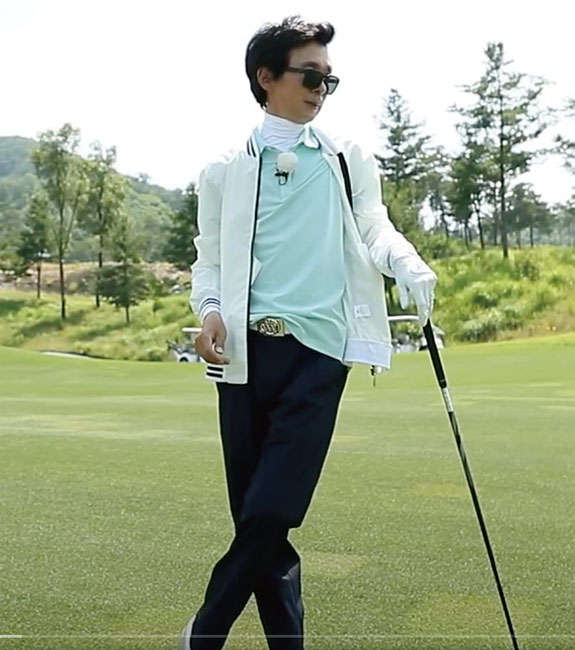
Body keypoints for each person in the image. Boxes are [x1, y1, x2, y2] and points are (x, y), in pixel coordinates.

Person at [180, 15, 437, 650]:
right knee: (259, 523)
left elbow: (373, 226)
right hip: (242, 359)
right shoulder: (223, 170)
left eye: (329, 79)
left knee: (273, 509)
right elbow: (209, 261)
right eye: (311, 75)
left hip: (318, 356)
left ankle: (205, 631)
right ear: (266, 77)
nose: (322, 89)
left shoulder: (347, 158)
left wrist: (406, 261)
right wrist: (209, 311)